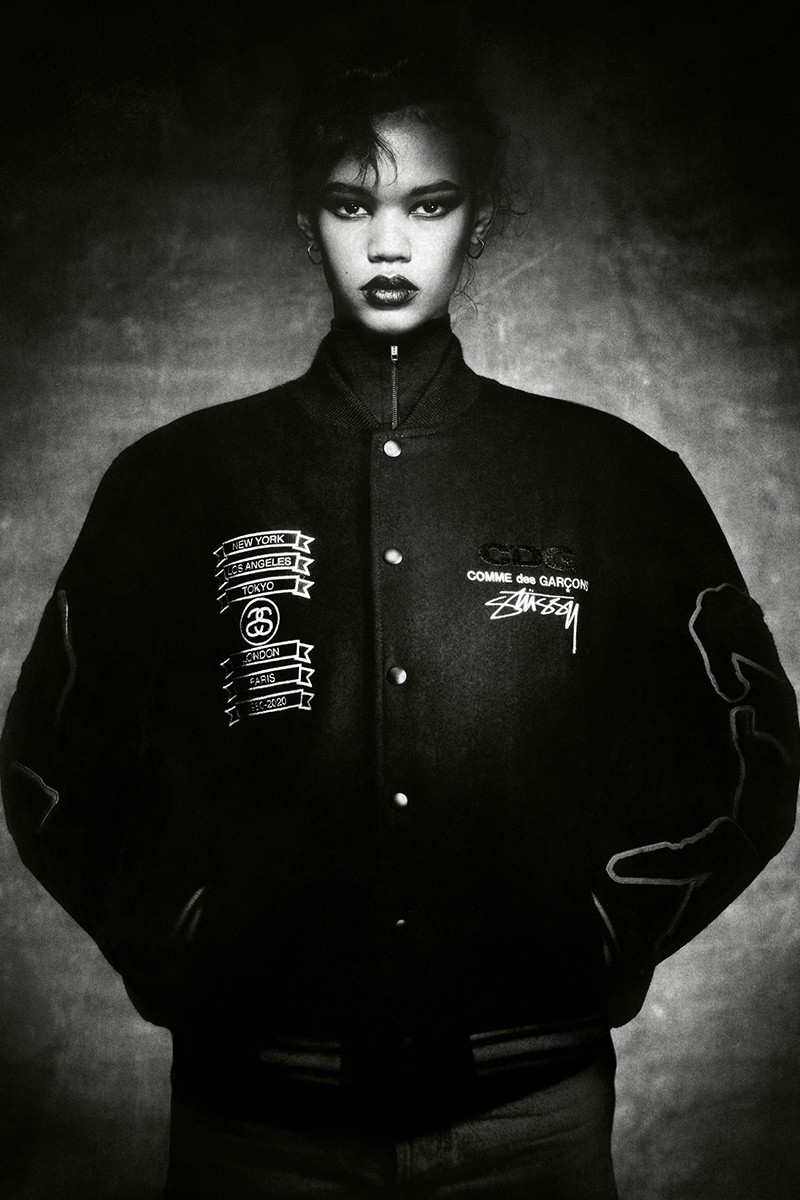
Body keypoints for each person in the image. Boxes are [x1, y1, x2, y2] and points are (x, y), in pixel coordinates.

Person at [2, 41, 798, 1200]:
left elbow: (751, 752)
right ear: (303, 222)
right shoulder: (176, 480)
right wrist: (180, 934)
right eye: (349, 204)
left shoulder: (608, 477)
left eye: (428, 204)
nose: (386, 245)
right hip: (255, 1126)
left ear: (480, 221)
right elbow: (48, 761)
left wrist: (604, 924)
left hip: (528, 1122)